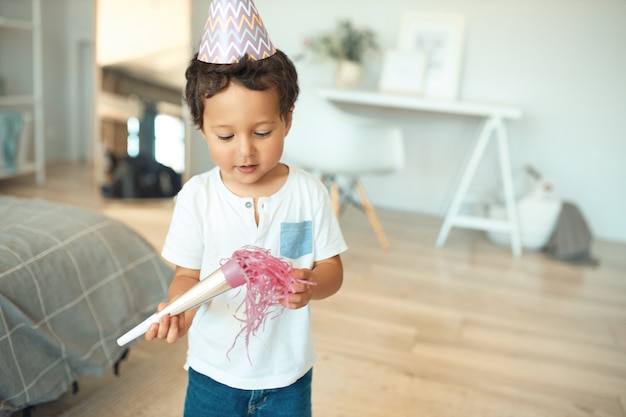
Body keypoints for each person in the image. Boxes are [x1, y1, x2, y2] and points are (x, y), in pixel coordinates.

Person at [143, 8, 348, 415]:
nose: (245, 150)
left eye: (262, 132)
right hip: (213, 375)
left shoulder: (308, 193)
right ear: (202, 128)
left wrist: (310, 283)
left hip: (288, 377)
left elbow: (332, 271)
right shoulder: (196, 197)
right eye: (225, 135)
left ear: (287, 120)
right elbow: (185, 276)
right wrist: (181, 310)